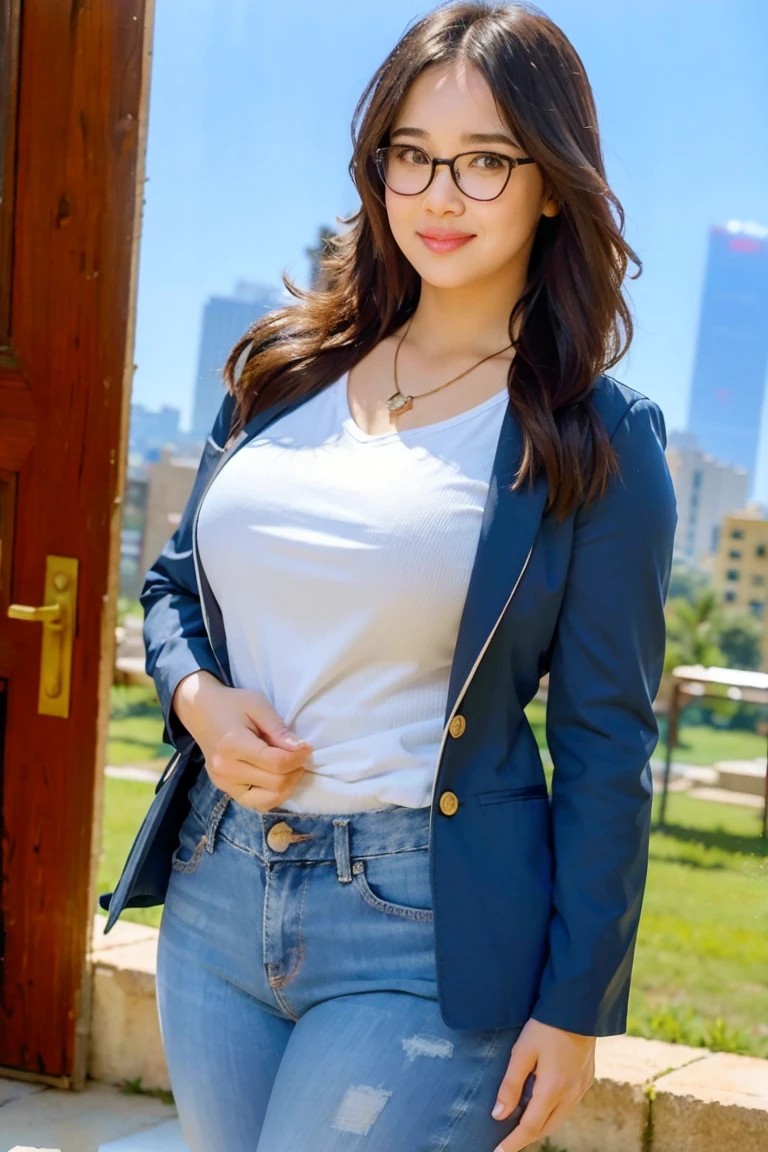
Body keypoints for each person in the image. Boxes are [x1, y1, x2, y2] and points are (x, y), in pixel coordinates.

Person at [140, 2, 677, 1149]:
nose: (442, 194)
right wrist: (199, 699)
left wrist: (575, 1007)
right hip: (215, 894)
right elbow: (176, 588)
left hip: (424, 926)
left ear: (551, 183)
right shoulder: (283, 371)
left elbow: (606, 745)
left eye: (486, 161)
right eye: (413, 155)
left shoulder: (595, 438)